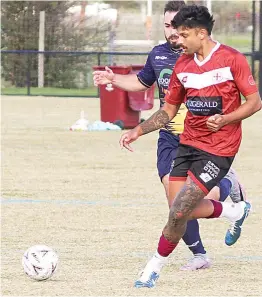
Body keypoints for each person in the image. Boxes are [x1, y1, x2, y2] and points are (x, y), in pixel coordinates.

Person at [93, 1, 248, 271]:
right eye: (168, 26)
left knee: (193, 199)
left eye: (179, 26)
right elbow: (143, 85)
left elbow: (247, 98)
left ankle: (228, 188)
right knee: (175, 203)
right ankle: (199, 253)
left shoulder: (216, 55)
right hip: (171, 137)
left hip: (208, 141)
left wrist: (224, 119)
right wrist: (114, 80)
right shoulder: (160, 55)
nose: (173, 32)